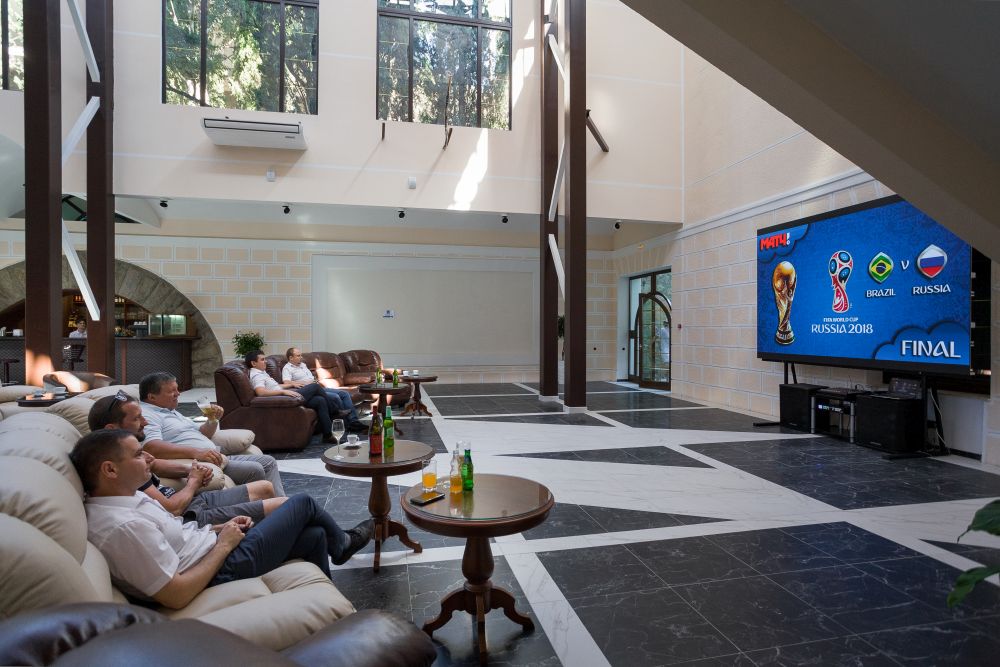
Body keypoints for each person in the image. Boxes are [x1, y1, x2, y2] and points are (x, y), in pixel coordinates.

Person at [70, 429, 374, 608]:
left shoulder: (129, 497)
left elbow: (177, 533)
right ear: (110, 470)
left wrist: (220, 529)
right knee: (302, 502)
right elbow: (175, 595)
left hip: (215, 547)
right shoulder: (122, 527)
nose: (149, 457)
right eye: (138, 454)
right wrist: (224, 544)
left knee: (315, 536)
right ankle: (342, 545)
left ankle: (329, 608)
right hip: (219, 568)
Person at [89, 392, 288, 525]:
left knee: (265, 488)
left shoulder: (127, 451)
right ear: (112, 429)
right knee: (287, 506)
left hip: (194, 500)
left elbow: (156, 464)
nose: (145, 422)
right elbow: (172, 509)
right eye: (136, 419)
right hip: (189, 516)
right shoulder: (120, 465)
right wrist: (193, 482)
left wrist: (191, 470)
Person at [138, 372, 285, 495]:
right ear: (152, 397)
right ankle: (268, 507)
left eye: (177, 389)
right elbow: (151, 446)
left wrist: (213, 419)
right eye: (172, 391)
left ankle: (280, 503)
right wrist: (197, 452)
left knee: (268, 461)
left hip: (213, 455)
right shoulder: (148, 414)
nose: (178, 394)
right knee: (255, 469)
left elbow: (203, 433)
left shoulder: (170, 411)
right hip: (202, 460)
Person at [244, 350, 340, 443]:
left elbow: (275, 386)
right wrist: (283, 392)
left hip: (285, 395)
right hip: (284, 399)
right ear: (253, 363)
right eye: (262, 359)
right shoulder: (256, 375)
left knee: (320, 400)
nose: (266, 361)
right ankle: (335, 410)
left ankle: (327, 435)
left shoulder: (262, 372)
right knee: (315, 386)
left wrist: (291, 384)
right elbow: (260, 392)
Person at [282, 347, 365, 432]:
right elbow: (286, 382)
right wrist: (298, 383)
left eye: (301, 355)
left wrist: (314, 380)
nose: (301, 357)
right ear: (291, 358)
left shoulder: (303, 365)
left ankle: (354, 421)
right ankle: (345, 425)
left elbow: (311, 378)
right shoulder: (287, 368)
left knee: (344, 394)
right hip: (310, 391)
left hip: (318, 387)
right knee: (335, 397)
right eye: (298, 356)